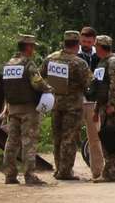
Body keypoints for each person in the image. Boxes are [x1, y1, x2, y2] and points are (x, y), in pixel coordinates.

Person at [1, 34, 53, 185]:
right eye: (33, 47)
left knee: (11, 142)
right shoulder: (28, 64)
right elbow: (38, 84)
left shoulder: (8, 65)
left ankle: (9, 175)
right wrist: (50, 88)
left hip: (13, 108)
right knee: (28, 142)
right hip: (29, 109)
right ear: (28, 47)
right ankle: (29, 175)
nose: (34, 50)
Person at [41, 30, 92, 180]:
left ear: (64, 42)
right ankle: (65, 171)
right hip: (73, 107)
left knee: (57, 137)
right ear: (77, 45)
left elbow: (39, 77)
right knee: (69, 138)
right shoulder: (79, 63)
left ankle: (58, 169)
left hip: (55, 104)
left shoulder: (51, 59)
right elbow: (89, 83)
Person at [92, 35, 115, 182]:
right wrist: (96, 108)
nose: (95, 48)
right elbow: (100, 86)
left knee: (111, 137)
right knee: (106, 137)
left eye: (96, 45)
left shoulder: (113, 62)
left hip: (112, 106)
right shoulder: (102, 62)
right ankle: (110, 172)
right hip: (103, 105)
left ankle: (112, 172)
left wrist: (111, 104)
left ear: (101, 46)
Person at [78, 26, 104, 179]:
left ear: (94, 41)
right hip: (75, 100)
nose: (86, 44)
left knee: (94, 138)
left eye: (89, 41)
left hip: (92, 102)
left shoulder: (100, 57)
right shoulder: (75, 54)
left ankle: (97, 171)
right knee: (66, 136)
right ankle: (63, 170)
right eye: (83, 41)